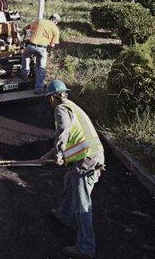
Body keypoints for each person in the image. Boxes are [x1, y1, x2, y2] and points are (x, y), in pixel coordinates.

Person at [40, 79, 105, 259]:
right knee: (70, 179)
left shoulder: (60, 109)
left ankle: (86, 247)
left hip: (87, 161)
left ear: (53, 97)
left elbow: (63, 133)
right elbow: (70, 138)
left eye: (49, 98)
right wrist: (49, 155)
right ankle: (64, 215)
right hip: (91, 157)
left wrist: (59, 155)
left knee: (83, 204)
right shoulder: (72, 106)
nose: (49, 102)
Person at [21, 13, 61, 93]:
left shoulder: (40, 21)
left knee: (25, 56)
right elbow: (52, 45)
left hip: (31, 46)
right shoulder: (55, 29)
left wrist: (23, 32)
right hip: (42, 49)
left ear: (50, 18)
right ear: (56, 22)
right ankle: (39, 88)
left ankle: (25, 73)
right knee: (41, 68)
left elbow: (28, 27)